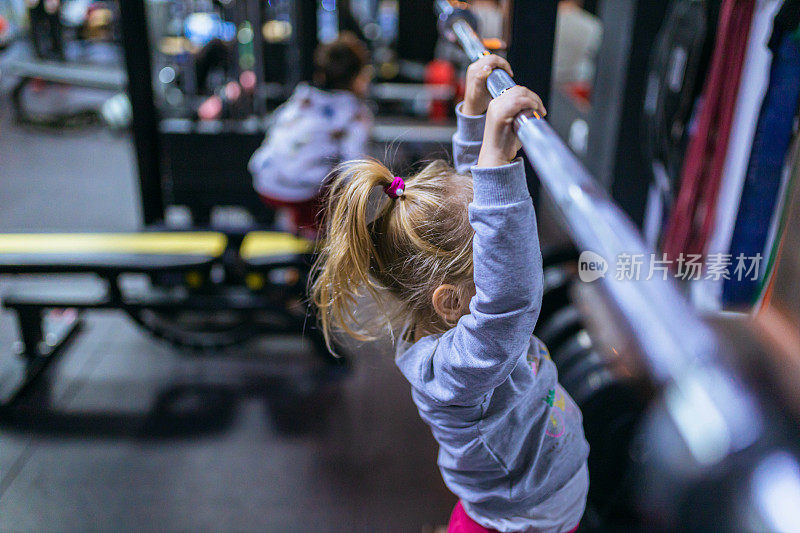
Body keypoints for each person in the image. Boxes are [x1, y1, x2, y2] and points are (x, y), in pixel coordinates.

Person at [311, 54, 589, 533]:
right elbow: (510, 298)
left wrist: (475, 114)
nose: (511, 255)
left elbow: (469, 215)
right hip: (522, 517)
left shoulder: (451, 319)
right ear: (454, 301)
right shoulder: (459, 367)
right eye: (495, 258)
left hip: (522, 491)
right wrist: (500, 168)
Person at [249, 32, 373, 236]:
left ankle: (297, 236)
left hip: (265, 181)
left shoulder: (301, 98)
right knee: (342, 185)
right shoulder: (355, 114)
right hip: (304, 192)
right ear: (358, 76)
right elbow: (355, 166)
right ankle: (316, 247)